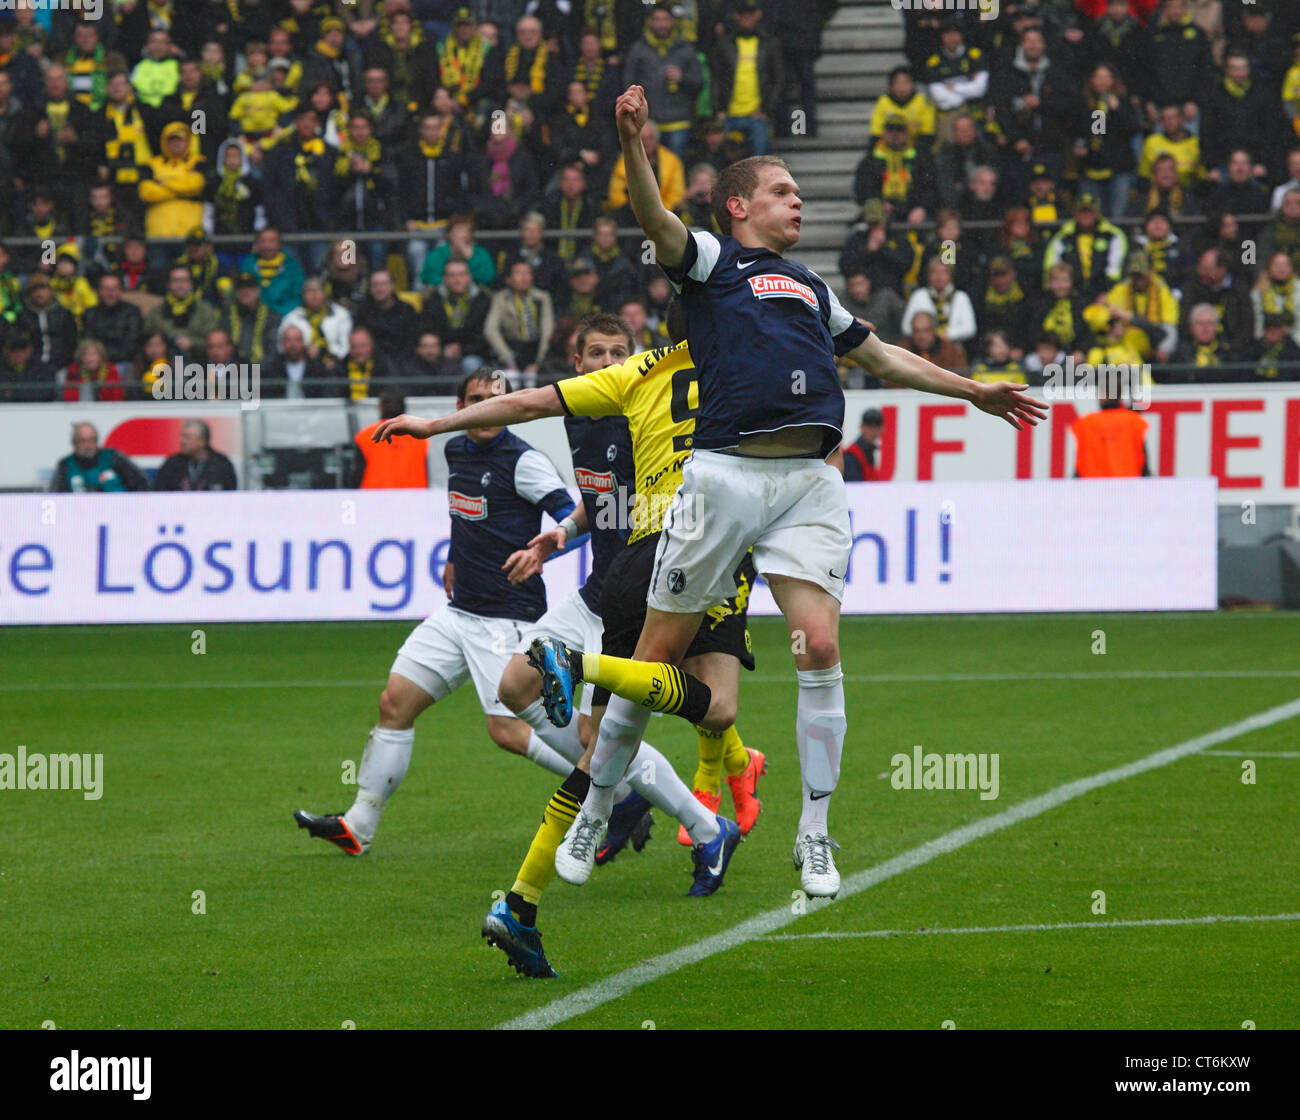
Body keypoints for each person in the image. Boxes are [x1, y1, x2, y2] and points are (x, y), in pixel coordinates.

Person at [527, 86, 1043, 899]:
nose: (797, 200)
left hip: (809, 481)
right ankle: (596, 805)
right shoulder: (711, 262)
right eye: (782, 191)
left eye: (799, 192)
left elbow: (885, 358)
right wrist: (632, 144)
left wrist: (972, 389)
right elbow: (654, 220)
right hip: (723, 476)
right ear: (738, 206)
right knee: (654, 656)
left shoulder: (810, 286)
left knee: (823, 649)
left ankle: (814, 834)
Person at [375, 311, 764, 975]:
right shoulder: (586, 411)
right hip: (596, 590)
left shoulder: (637, 408)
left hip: (645, 595)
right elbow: (600, 498)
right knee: (515, 688)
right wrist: (560, 536)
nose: (606, 360)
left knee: (605, 736)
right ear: (575, 358)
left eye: (619, 351)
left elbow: (652, 499)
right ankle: (675, 803)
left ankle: (692, 822)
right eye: (595, 352)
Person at [294, 371, 581, 858]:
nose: (487, 410)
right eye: (476, 400)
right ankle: (357, 826)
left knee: (508, 732)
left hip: (507, 616)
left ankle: (611, 789)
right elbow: (466, 515)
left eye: (497, 400)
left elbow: (573, 516)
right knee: (394, 703)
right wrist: (453, 556)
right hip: (459, 612)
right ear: (461, 404)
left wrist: (543, 553)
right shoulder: (452, 451)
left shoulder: (524, 461)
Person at [352, 389, 429, 489]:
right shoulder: (420, 437)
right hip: (412, 499)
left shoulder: (365, 436)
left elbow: (357, 476)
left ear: (381, 408)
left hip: (373, 499)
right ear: (404, 408)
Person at [1071, 387, 1149, 478]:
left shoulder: (1085, 424)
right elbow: (1143, 462)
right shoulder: (1134, 422)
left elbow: (1079, 462)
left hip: (1092, 487)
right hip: (1127, 486)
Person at [52, 422, 150, 493]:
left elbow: (141, 483)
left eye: (91, 440)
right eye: (82, 440)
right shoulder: (66, 465)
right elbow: (57, 496)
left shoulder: (112, 457)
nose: (87, 445)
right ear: (74, 442)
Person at [153, 420, 239, 491]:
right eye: (181, 436)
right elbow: (159, 492)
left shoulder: (222, 464)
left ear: (201, 441)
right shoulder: (171, 464)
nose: (181, 441)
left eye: (187, 437)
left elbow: (230, 495)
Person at [841, 408, 883, 483]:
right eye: (870, 426)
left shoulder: (870, 450)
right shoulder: (851, 455)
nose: (873, 431)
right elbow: (854, 487)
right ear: (862, 427)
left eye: (877, 426)